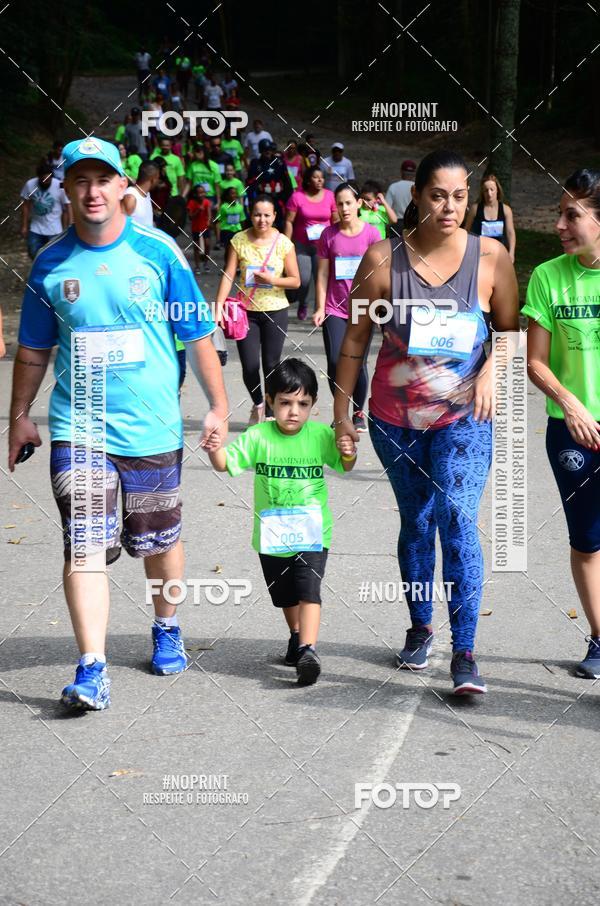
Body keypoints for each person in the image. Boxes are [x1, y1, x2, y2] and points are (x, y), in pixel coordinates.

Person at [8, 137, 228, 710]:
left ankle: (167, 623)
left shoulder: (159, 254)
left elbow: (198, 336)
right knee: (84, 544)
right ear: (66, 188)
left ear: (123, 185)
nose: (92, 190)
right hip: (79, 428)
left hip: (152, 427)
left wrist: (219, 408)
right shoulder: (50, 263)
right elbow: (32, 350)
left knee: (161, 542)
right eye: (80, 180)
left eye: (102, 179)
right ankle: (91, 667)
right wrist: (19, 417)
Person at [333, 150, 519, 695]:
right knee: (416, 522)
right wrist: (343, 413)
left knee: (458, 520)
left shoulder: (491, 258)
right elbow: (354, 345)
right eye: (438, 195)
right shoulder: (380, 260)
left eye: (460, 196)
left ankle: (465, 651)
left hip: (464, 418)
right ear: (415, 197)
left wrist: (491, 374)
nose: (450, 206)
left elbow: (510, 332)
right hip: (397, 421)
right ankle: (419, 628)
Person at [206, 358, 356, 685]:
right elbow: (225, 463)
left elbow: (345, 465)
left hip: (313, 533)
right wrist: (214, 448)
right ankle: (296, 635)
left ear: (313, 406)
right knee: (286, 596)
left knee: (309, 591)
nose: (293, 411)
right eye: (285, 402)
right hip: (272, 536)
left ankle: (308, 650)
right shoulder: (259, 436)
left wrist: (347, 449)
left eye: (303, 404)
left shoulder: (319, 435)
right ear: (271, 401)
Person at [522, 168, 600, 679]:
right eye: (559, 213)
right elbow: (535, 361)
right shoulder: (548, 276)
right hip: (571, 431)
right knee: (588, 540)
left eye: (572, 214)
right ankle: (599, 638)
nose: (559, 225)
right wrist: (569, 402)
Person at [215, 194, 300, 424]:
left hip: (276, 310)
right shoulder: (238, 240)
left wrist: (272, 279)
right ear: (249, 215)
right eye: (256, 214)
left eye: (266, 215)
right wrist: (219, 306)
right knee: (250, 365)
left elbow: (295, 280)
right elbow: (228, 275)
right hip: (245, 313)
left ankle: (271, 412)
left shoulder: (283, 243)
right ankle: (259, 403)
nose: (261, 219)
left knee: (271, 364)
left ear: (274, 216)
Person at [313, 182, 380, 432]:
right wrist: (320, 307)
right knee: (334, 361)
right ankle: (341, 411)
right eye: (339, 204)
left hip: (363, 307)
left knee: (358, 361)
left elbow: (380, 274)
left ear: (359, 204)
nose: (344, 208)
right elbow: (321, 275)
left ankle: (358, 412)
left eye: (348, 202)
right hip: (334, 308)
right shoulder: (328, 235)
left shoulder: (372, 235)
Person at [285, 166, 338, 320]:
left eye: (322, 177)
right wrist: (286, 244)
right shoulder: (297, 197)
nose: (320, 180)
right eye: (316, 177)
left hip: (324, 246)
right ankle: (303, 302)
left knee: (322, 279)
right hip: (303, 245)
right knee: (304, 279)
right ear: (308, 180)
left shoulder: (330, 196)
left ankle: (319, 310)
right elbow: (289, 221)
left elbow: (336, 220)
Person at [20, 159, 71, 259]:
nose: (47, 181)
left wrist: (68, 227)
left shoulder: (60, 185)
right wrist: (24, 225)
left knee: (54, 257)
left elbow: (68, 206)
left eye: (49, 179)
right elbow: (25, 205)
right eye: (44, 179)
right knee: (33, 253)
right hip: (36, 228)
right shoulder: (30, 185)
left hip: (55, 230)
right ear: (38, 178)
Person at [465, 173, 516, 262]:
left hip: (499, 253)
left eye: (492, 190)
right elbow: (466, 231)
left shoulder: (506, 210)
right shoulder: (475, 209)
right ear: (482, 192)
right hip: (479, 253)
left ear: (497, 191)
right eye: (486, 190)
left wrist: (511, 253)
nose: (489, 193)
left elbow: (510, 233)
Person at [246, 140, 293, 232]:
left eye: (269, 149)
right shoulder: (255, 164)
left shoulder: (279, 162)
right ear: (260, 151)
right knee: (262, 223)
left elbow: (287, 181)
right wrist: (252, 201)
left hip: (278, 198)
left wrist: (286, 198)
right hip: (262, 198)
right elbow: (250, 183)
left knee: (280, 223)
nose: (268, 152)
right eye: (265, 150)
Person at [122, 159, 159, 226]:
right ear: (153, 179)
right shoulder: (130, 198)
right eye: (158, 178)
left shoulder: (147, 193)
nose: (158, 181)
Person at [186, 183, 213, 273]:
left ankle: (206, 263)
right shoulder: (192, 203)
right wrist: (198, 211)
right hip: (196, 228)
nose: (201, 195)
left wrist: (209, 221)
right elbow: (190, 217)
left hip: (205, 226)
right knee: (196, 247)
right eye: (199, 193)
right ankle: (197, 265)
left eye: (203, 192)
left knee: (207, 244)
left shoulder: (206, 202)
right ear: (195, 194)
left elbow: (209, 214)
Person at [385, 159, 417, 230]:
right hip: (412, 224)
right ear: (414, 173)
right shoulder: (418, 188)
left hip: (396, 224)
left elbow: (386, 207)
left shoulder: (393, 187)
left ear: (401, 171)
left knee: (395, 241)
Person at [216, 186, 245, 255]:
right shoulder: (224, 207)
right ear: (227, 196)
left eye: (235, 193)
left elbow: (242, 220)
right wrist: (218, 236)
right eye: (232, 193)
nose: (234, 195)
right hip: (227, 231)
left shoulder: (240, 207)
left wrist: (243, 232)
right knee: (228, 250)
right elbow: (218, 221)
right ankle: (227, 264)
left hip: (237, 230)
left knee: (237, 250)